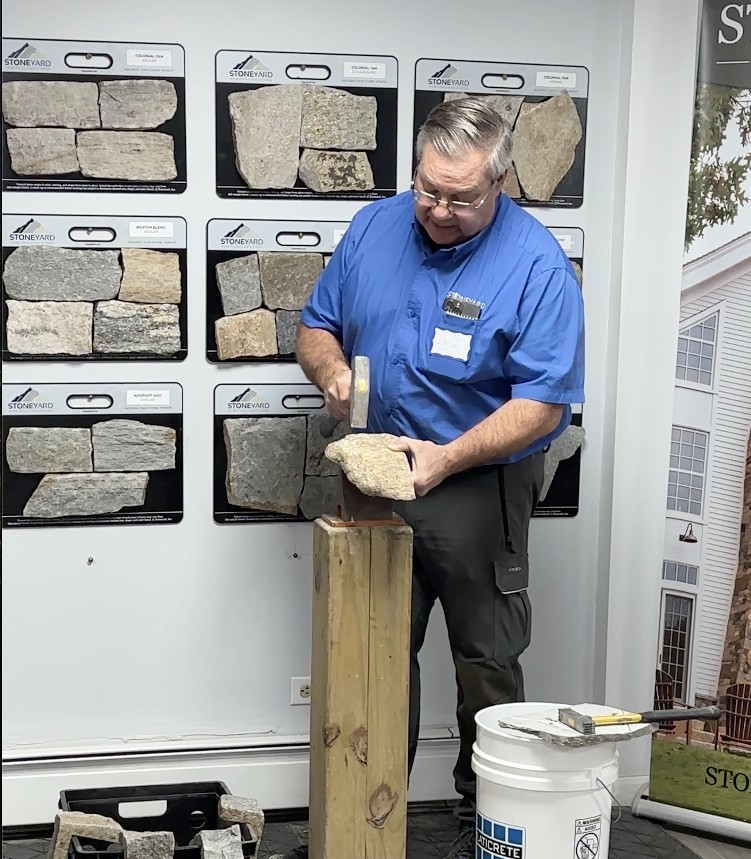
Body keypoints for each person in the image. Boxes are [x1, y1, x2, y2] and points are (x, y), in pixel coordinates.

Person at [295, 96, 585, 859]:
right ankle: (368, 822)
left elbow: (542, 402)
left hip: (474, 485)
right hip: (375, 478)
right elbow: (316, 324)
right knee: (371, 649)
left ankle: (485, 829)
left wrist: (447, 456)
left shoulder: (535, 265)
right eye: (429, 189)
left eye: (461, 197)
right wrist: (329, 374)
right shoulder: (373, 226)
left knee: (484, 661)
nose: (439, 209)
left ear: (500, 182)